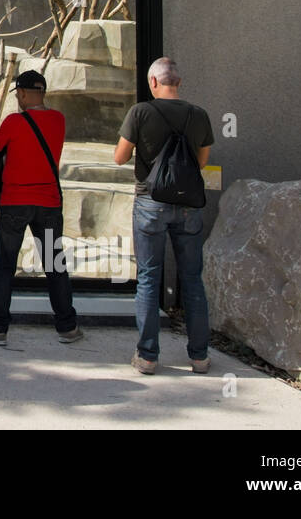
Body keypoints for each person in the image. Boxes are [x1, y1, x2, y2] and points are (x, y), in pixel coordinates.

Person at [114, 56, 214, 375]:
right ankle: (199, 357)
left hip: (149, 202)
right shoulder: (199, 115)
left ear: (153, 82)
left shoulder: (140, 112)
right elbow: (200, 162)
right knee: (192, 280)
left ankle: (147, 356)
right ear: (179, 82)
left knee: (148, 278)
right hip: (188, 206)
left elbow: (119, 157)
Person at [0, 69, 82, 346]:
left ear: (21, 94)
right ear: (42, 92)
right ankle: (67, 327)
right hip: (48, 204)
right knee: (55, 265)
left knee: (4, 267)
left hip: (15, 203)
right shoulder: (59, 120)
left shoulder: (14, 121)